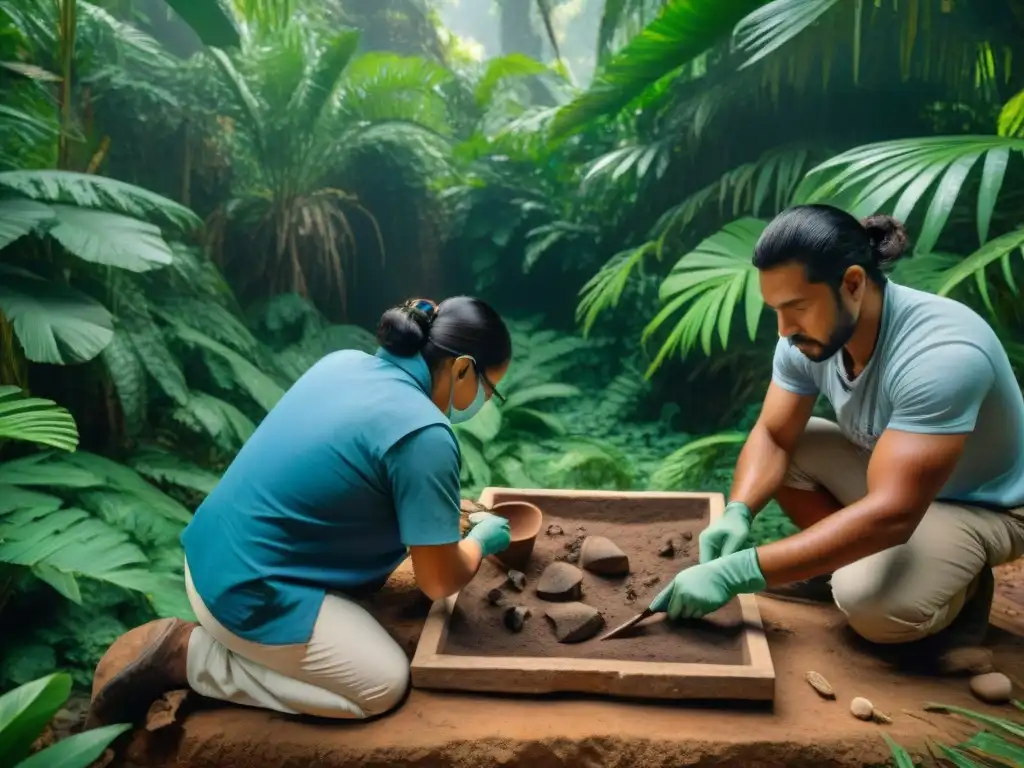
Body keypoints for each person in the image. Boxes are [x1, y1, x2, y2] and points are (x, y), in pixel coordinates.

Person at [87, 296, 515, 725]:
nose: (485, 401)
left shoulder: (344, 363)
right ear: (461, 368)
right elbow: (438, 581)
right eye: (488, 389)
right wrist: (478, 543)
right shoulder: (426, 433)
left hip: (210, 558)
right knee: (381, 687)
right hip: (249, 596)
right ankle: (191, 659)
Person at [650, 204, 1024, 670]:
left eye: (797, 308)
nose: (784, 330)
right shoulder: (807, 339)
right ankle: (848, 563)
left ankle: (958, 595)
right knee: (795, 449)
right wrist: (738, 510)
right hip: (898, 479)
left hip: (984, 504)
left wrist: (741, 571)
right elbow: (773, 435)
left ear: (852, 283)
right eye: (776, 311)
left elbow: (893, 514)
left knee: (870, 607)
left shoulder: (942, 354)